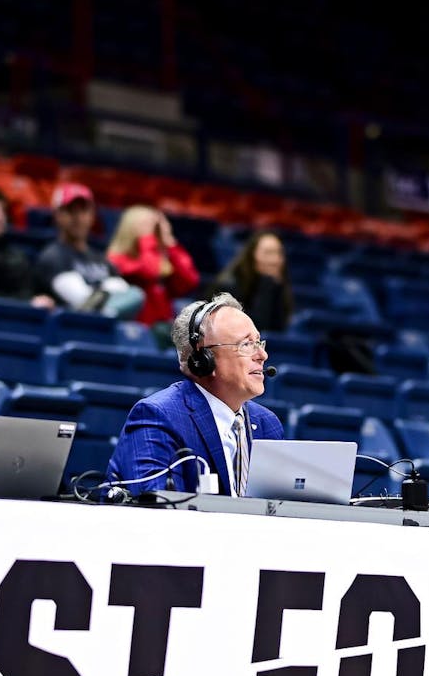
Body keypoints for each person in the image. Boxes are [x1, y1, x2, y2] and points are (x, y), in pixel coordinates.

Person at [106, 292, 283, 495]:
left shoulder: (267, 424)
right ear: (203, 359)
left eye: (259, 343)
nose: (262, 355)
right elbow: (156, 508)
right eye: (246, 344)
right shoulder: (160, 416)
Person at [31, 182, 143, 317]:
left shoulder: (101, 259)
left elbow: (128, 295)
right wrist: (107, 294)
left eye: (83, 210)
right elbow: (82, 301)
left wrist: (104, 300)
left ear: (92, 216)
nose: (78, 217)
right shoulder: (52, 257)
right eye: (71, 211)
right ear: (57, 215)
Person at [106, 204, 200, 328]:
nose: (155, 233)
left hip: (163, 328)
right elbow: (150, 271)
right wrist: (147, 239)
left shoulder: (161, 259)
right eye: (152, 227)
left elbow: (190, 281)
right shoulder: (117, 259)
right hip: (134, 329)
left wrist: (170, 244)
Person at [210, 230, 293, 333]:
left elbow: (279, 329)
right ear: (251, 256)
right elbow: (254, 330)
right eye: (268, 253)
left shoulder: (276, 285)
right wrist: (267, 285)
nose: (275, 260)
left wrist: (272, 286)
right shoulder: (229, 286)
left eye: (279, 253)